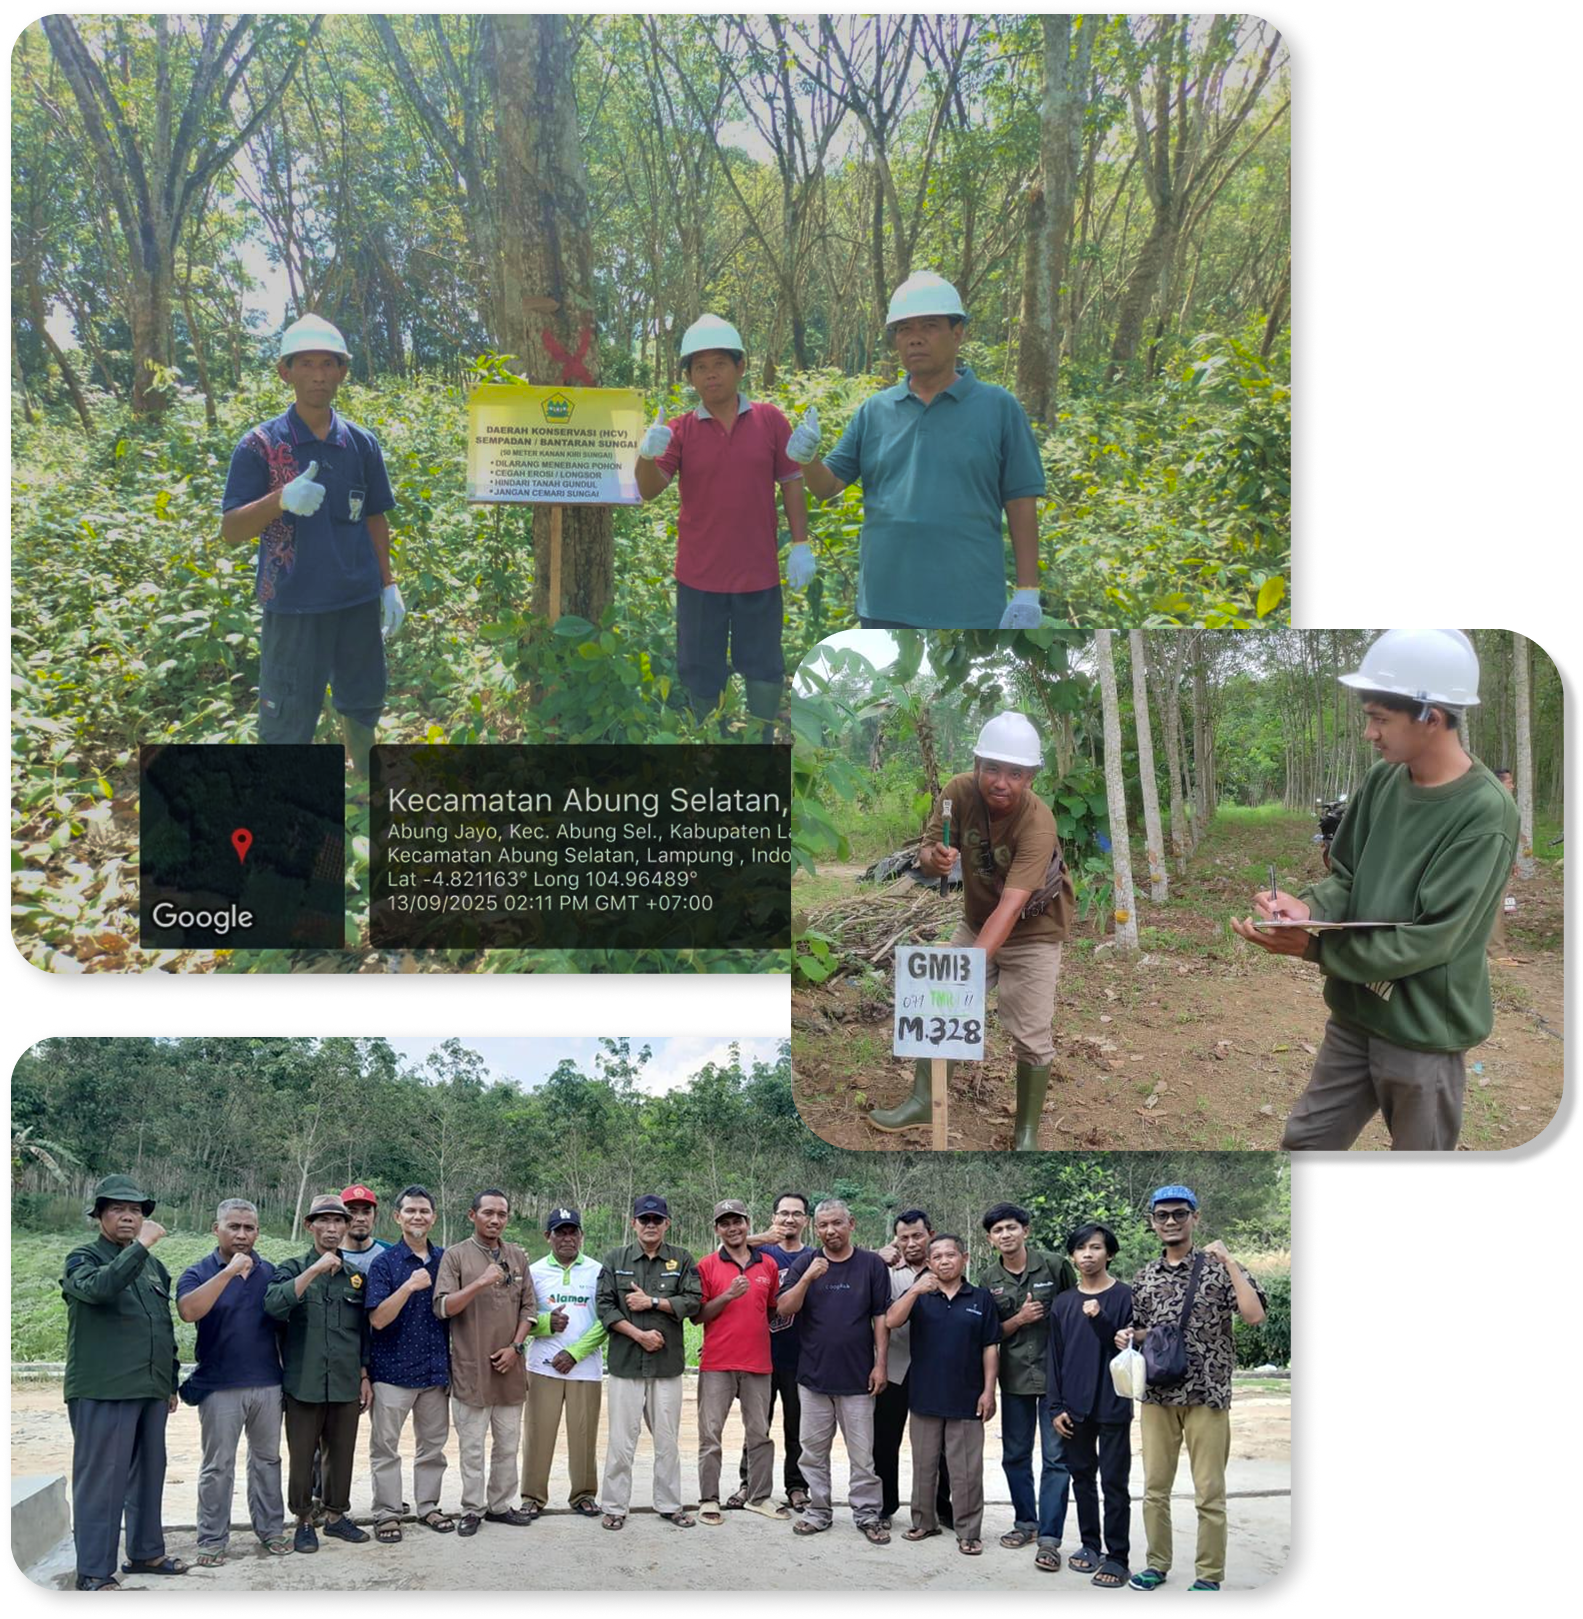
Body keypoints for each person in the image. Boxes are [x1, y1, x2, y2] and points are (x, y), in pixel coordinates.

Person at [1232, 628, 1520, 1151]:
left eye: (1379, 719)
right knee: (1306, 1141)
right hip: (1356, 1017)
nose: (1370, 733)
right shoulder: (1384, 781)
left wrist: (1317, 947)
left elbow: (1432, 939)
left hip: (1421, 1029)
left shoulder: (1484, 813)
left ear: (1430, 716)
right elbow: (1347, 875)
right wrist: (1307, 907)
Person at [786, 270, 1046, 630]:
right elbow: (826, 487)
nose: (915, 339)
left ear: (958, 334)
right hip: (884, 605)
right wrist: (808, 458)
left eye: (929, 326)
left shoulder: (998, 408)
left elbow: (1021, 502)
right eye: (905, 329)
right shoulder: (874, 411)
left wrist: (1027, 591)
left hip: (969, 607)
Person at [872, 711, 1073, 1150]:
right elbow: (926, 851)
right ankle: (925, 1100)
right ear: (977, 764)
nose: (1001, 781)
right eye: (992, 768)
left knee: (1030, 1031)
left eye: (1015, 773)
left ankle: (1026, 1133)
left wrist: (964, 970)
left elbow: (1012, 904)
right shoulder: (958, 793)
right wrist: (934, 859)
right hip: (978, 920)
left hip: (1033, 931)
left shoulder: (1038, 825)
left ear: (1031, 777)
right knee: (938, 1006)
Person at [220, 313, 402, 783]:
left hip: (356, 600)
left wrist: (388, 584)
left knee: (362, 700)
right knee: (286, 713)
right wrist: (279, 500)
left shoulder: (361, 444)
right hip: (294, 603)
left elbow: (375, 516)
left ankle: (363, 788)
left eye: (329, 364)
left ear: (343, 371)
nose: (319, 375)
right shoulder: (260, 445)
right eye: (306, 364)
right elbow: (232, 529)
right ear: (286, 371)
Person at [635, 314, 811, 739]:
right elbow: (650, 490)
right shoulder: (678, 430)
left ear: (740, 367)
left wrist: (801, 544)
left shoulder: (770, 420)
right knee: (700, 666)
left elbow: (791, 482)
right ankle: (708, 739)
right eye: (699, 367)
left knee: (764, 662)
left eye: (719, 364)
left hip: (758, 571)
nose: (710, 374)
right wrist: (645, 455)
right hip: (700, 574)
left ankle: (760, 736)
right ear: (690, 377)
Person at [1122, 1186, 1267, 1594]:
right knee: (1154, 1490)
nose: (1171, 1221)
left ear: (1195, 1218)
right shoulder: (1146, 1275)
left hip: (1207, 1394)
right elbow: (1140, 1329)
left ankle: (1208, 1575)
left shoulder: (1219, 1267)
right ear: (1152, 1222)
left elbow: (1254, 1315)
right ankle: (1156, 1564)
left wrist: (1231, 1262)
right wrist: (1129, 1337)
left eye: (1179, 1214)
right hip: (1158, 1397)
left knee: (1209, 1493)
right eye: (1162, 1215)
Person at [61, 1175, 186, 1591]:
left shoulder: (153, 1268)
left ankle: (146, 1552)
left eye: (135, 1210)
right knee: (103, 1480)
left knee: (150, 1473)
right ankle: (94, 1572)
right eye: (117, 1209)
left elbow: (162, 1324)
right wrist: (141, 1246)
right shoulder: (83, 1258)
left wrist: (169, 1381)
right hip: (104, 1387)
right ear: (99, 1216)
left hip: (149, 1388)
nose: (129, 1217)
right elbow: (99, 1290)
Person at [176, 1198, 289, 1564]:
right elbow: (188, 1311)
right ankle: (211, 1539)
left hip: (268, 1384)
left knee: (267, 1461)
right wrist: (227, 1273)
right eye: (234, 1227)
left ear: (258, 1231)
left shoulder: (271, 1273)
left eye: (249, 1228)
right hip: (219, 1386)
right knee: (217, 1465)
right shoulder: (198, 1272)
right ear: (217, 1228)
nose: (242, 1235)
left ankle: (271, 1530)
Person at [775, 1199, 891, 1543]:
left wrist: (880, 1363)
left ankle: (868, 1514)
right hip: (813, 1377)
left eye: (837, 1223)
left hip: (858, 1377)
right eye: (823, 1225)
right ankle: (818, 1511)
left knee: (862, 1454)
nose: (830, 1231)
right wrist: (808, 1278)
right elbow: (784, 1307)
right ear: (815, 1228)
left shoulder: (871, 1265)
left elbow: (881, 1317)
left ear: (851, 1223)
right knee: (812, 1452)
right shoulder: (805, 1263)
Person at [263, 1194, 373, 1552]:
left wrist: (364, 1375)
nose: (332, 1228)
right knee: (301, 1454)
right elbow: (274, 1306)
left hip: (344, 1380)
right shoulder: (292, 1268)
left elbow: (363, 1332)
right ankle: (304, 1520)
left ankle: (337, 1516)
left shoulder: (356, 1278)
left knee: (341, 1453)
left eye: (338, 1221)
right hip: (304, 1381)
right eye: (323, 1221)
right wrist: (313, 1271)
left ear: (345, 1226)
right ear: (310, 1225)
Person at [884, 1235, 1000, 1556]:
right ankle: (924, 1521)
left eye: (951, 1255)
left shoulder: (981, 1298)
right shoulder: (921, 1296)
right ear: (930, 1262)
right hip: (924, 1395)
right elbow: (892, 1321)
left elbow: (991, 1346)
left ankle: (968, 1531)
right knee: (923, 1464)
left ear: (964, 1258)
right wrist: (916, 1289)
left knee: (965, 1470)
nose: (945, 1261)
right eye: (938, 1256)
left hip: (967, 1397)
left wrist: (989, 1391)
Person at [975, 1201, 1075, 1572]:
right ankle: (1025, 1523)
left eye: (1011, 1228)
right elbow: (989, 1334)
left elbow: (1074, 1313)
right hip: (1014, 1379)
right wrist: (1018, 1319)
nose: (1006, 1235)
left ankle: (1050, 1539)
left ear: (1025, 1231)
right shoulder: (988, 1280)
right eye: (998, 1230)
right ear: (990, 1239)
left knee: (1055, 1460)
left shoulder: (1053, 1265)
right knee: (1015, 1456)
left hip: (1055, 1380)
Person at [432, 1189, 538, 1534]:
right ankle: (472, 1509)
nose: (495, 1220)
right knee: (473, 1448)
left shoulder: (517, 1257)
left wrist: (516, 1347)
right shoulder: (455, 1256)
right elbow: (444, 1306)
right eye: (488, 1213)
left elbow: (528, 1309)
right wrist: (480, 1281)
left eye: (502, 1214)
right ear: (471, 1215)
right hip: (471, 1369)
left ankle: (500, 1505)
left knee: (507, 1445)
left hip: (510, 1368)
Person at [595, 1194, 704, 1530]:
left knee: (668, 1441)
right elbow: (604, 1307)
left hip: (666, 1366)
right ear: (634, 1223)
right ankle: (614, 1506)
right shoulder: (615, 1259)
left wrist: (653, 1302)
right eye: (645, 1220)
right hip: (626, 1364)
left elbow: (694, 1301)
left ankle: (670, 1505)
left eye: (658, 1220)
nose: (651, 1225)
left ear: (667, 1224)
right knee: (620, 1441)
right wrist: (638, 1335)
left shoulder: (682, 1260)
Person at [1045, 1222, 1133, 1589]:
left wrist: (1101, 1319)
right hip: (1074, 1408)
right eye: (1080, 1248)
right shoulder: (1064, 1303)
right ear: (1072, 1256)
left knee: (1114, 1483)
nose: (1087, 1254)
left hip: (1113, 1405)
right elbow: (1054, 1358)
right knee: (1082, 1477)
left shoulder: (1126, 1296)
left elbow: (1126, 1350)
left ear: (1109, 1253)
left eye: (1095, 1247)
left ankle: (1118, 1557)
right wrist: (1055, 1408)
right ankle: (1089, 1545)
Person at [365, 1186, 454, 1537]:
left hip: (434, 1371)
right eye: (411, 1211)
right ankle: (387, 1512)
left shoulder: (447, 1260)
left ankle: (428, 1507)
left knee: (432, 1448)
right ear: (397, 1217)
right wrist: (409, 1287)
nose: (418, 1217)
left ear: (433, 1217)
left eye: (424, 1211)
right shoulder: (384, 1263)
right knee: (385, 1448)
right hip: (391, 1373)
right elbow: (377, 1319)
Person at [693, 1200, 787, 1525]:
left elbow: (772, 1308)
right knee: (710, 1434)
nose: (732, 1228)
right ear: (717, 1229)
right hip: (718, 1363)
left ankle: (759, 1496)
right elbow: (698, 1316)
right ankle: (708, 1499)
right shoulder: (706, 1266)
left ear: (748, 1224)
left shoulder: (769, 1266)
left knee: (759, 1432)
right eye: (725, 1223)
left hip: (758, 1363)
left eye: (738, 1222)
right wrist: (728, 1295)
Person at [306, 1183, 390, 1525]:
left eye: (365, 1211)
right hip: (330, 1360)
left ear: (374, 1216)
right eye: (350, 1212)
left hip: (379, 1358)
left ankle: (364, 1505)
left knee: (363, 1438)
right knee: (318, 1436)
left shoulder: (386, 1256)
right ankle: (316, 1499)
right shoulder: (321, 1258)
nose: (358, 1218)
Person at [520, 1207, 607, 1520]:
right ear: (548, 1237)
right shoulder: (534, 1271)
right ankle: (532, 1497)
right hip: (542, 1366)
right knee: (537, 1433)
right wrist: (544, 1323)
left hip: (585, 1368)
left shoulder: (598, 1271)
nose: (567, 1238)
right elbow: (519, 1317)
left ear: (581, 1236)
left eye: (573, 1232)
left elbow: (607, 1319)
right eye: (560, 1232)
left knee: (584, 1434)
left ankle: (583, 1494)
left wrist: (575, 1353)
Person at [733, 1192, 814, 1512]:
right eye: (783, 1213)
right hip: (760, 1356)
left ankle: (796, 1485)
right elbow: (722, 1251)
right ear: (773, 1218)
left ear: (806, 1220)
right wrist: (760, 1238)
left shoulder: (813, 1257)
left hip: (801, 1357)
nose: (789, 1219)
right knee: (756, 1426)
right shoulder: (758, 1252)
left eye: (796, 1213)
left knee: (798, 1428)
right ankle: (748, 1483)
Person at [872, 1210, 952, 1532]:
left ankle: (941, 1507)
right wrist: (879, 1255)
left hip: (934, 1372)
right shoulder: (885, 1271)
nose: (911, 1243)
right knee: (884, 1442)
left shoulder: (946, 1267)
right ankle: (883, 1505)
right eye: (903, 1237)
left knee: (940, 1445)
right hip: (892, 1369)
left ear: (930, 1233)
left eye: (917, 1235)